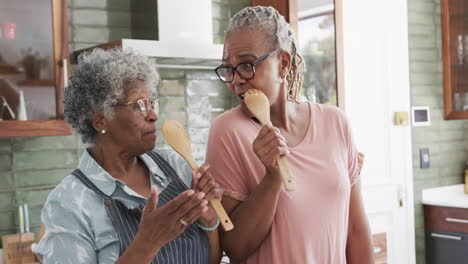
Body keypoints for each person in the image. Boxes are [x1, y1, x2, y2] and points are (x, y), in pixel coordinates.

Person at [206, 6, 373, 264]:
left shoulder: (335, 122)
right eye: (229, 68)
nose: (236, 80)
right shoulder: (228, 131)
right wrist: (272, 178)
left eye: (247, 65)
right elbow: (235, 247)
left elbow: (356, 231)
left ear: (283, 64)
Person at [36, 48, 222, 264]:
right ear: (100, 120)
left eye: (151, 103)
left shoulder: (177, 166)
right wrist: (147, 244)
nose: (152, 115)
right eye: (138, 105)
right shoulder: (69, 203)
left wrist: (209, 222)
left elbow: (212, 260)